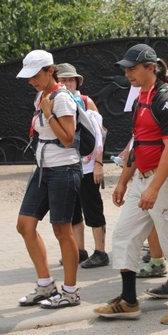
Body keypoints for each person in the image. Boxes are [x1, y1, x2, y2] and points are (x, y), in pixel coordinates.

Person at [94, 44, 168, 324]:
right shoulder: (142, 97)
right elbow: (138, 143)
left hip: (166, 179)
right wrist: (123, 182)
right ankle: (129, 301)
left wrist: (154, 187)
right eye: (126, 68)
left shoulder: (167, 99)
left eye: (133, 68)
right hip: (142, 178)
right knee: (124, 235)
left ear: (151, 68)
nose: (128, 73)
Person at [15, 50, 82, 309]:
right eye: (28, 77)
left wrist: (49, 114)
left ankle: (71, 291)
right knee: (24, 225)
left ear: (50, 70)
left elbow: (67, 139)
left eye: (35, 75)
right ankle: (45, 285)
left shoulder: (62, 98)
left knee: (62, 231)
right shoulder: (41, 96)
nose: (31, 81)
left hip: (64, 170)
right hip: (43, 169)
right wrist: (44, 109)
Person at [56, 63, 109, 269]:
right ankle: (79, 251)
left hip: (87, 166)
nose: (67, 83)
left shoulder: (86, 102)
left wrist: (98, 163)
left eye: (70, 80)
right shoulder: (54, 102)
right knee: (73, 211)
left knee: (92, 208)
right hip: (66, 165)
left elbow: (99, 134)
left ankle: (101, 252)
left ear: (77, 81)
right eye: (63, 80)